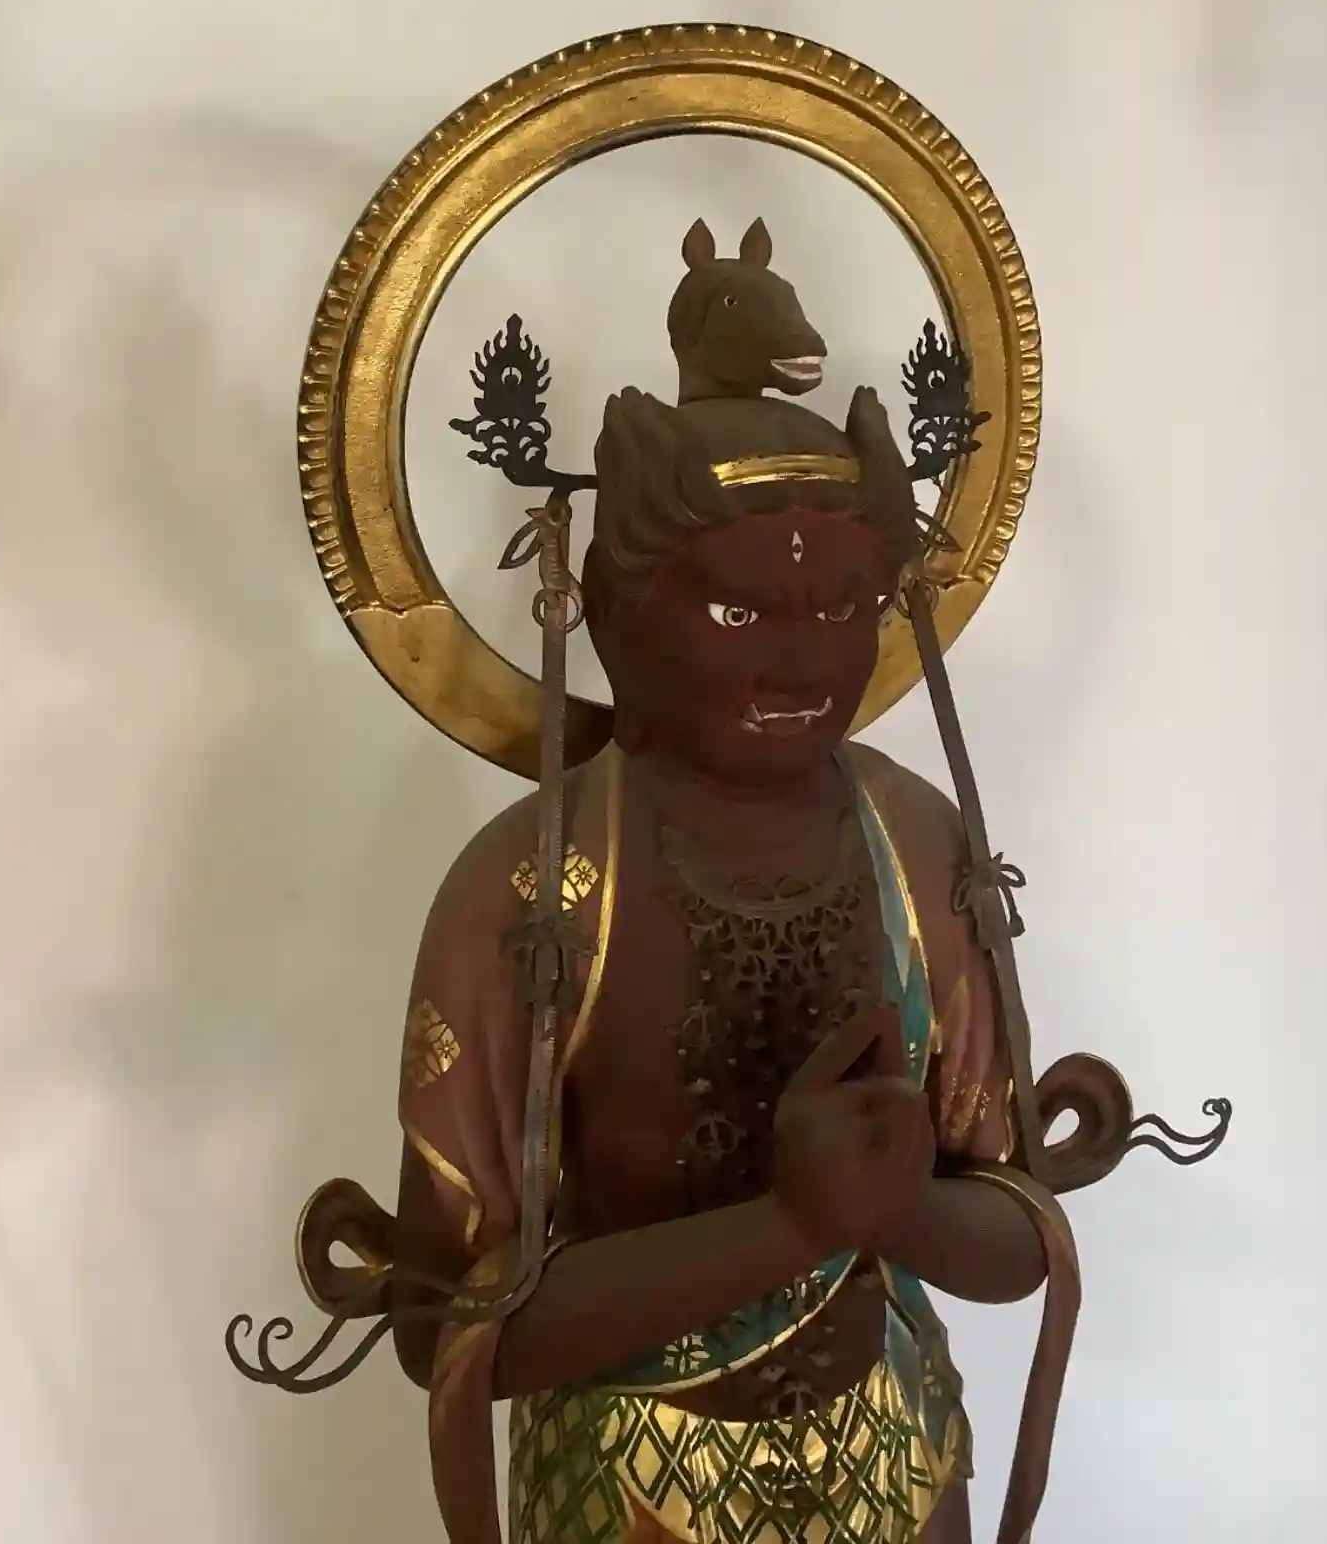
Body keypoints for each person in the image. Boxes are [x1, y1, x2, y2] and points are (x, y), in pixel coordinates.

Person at [392, 375, 1052, 1544]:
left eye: (844, 607)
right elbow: (438, 1322)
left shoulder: (917, 843)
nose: (804, 663)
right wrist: (795, 1225)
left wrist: (900, 1208)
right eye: (740, 614)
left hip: (896, 1459)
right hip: (634, 1485)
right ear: (610, 614)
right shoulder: (536, 890)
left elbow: (1017, 1235)